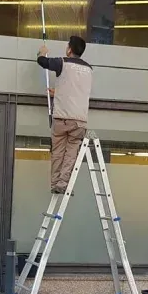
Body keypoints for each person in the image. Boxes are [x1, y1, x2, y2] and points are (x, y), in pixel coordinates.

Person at [37, 35, 93, 194]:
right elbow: (76, 89)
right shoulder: (89, 69)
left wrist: (41, 53)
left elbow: (43, 63)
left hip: (62, 118)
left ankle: (55, 184)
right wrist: (59, 92)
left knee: (58, 152)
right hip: (79, 121)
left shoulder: (63, 62)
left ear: (70, 49)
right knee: (71, 154)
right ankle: (63, 183)